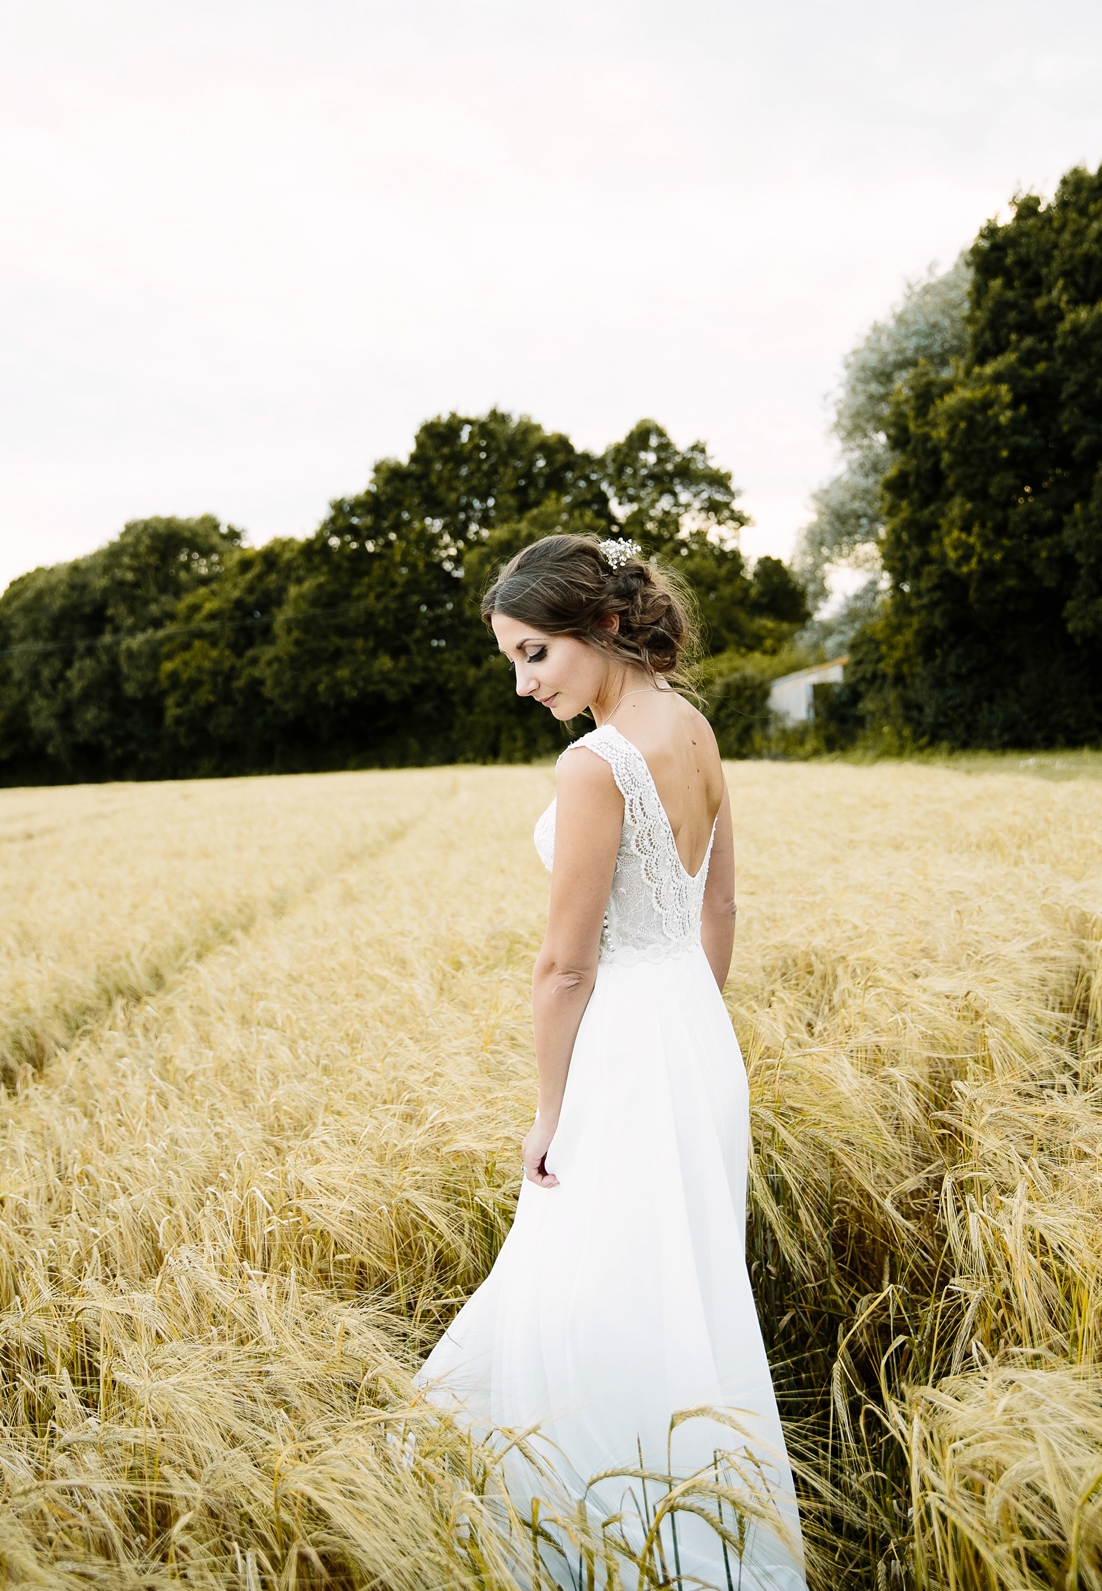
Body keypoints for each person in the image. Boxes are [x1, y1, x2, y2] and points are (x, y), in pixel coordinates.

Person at [417, 532, 806, 1589]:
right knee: (681, 1277)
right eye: (511, 657)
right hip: (691, 1033)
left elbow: (562, 969)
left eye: (534, 652)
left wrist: (552, 1109)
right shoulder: (693, 727)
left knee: (600, 1285)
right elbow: (717, 905)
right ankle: (698, 1511)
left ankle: (616, 1529)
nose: (521, 681)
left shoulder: (594, 764)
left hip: (629, 1049)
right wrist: (690, 1031)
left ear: (605, 627)